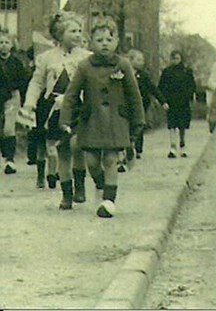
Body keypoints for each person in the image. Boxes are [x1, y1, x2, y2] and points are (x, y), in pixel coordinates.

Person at [59, 16, 145, 217]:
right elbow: (71, 95)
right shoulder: (84, 66)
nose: (105, 44)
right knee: (92, 162)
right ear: (91, 42)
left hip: (116, 121)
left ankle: (108, 201)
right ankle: (100, 183)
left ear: (116, 42)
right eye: (99, 40)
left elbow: (134, 95)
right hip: (91, 121)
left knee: (110, 159)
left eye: (109, 39)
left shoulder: (123, 65)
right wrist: (65, 119)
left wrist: (138, 121)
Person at [22, 12, 90, 202]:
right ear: (60, 34)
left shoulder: (87, 57)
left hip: (78, 107)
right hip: (55, 109)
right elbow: (36, 83)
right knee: (62, 149)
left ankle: (80, 185)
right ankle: (66, 193)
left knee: (77, 145)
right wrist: (29, 104)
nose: (78, 35)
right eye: (73, 31)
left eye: (79, 31)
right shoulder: (46, 58)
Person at [122, 49, 168, 167]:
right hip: (125, 104)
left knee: (139, 125)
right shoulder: (123, 73)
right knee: (125, 125)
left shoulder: (143, 75)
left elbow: (153, 88)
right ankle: (125, 148)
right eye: (138, 59)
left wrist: (162, 101)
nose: (142, 62)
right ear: (130, 60)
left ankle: (137, 149)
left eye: (142, 60)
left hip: (141, 104)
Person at [0, 29, 30, 174]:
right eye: (1, 42)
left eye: (6, 42)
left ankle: (10, 160)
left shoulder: (16, 62)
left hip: (12, 96)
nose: (3, 45)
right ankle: (4, 154)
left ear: (12, 45)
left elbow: (23, 81)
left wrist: (24, 101)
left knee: (8, 128)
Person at [159, 51, 197, 158]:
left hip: (183, 103)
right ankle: (173, 147)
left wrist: (189, 97)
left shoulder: (186, 71)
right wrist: (163, 101)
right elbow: (161, 86)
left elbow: (192, 85)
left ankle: (182, 146)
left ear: (181, 59)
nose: (175, 60)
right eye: (173, 58)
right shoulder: (167, 72)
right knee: (172, 125)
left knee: (182, 126)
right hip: (171, 102)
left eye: (177, 58)